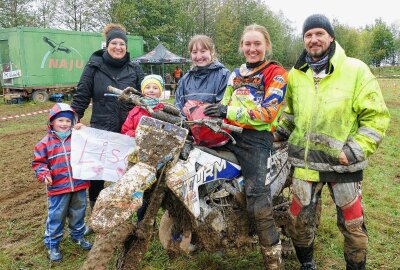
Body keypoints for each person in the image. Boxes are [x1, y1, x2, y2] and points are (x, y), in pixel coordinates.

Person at [275, 14, 390, 270]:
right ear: (304, 40)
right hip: (306, 166)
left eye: (319, 33)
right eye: (308, 35)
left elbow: (376, 118)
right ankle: (307, 264)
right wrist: (279, 133)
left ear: (331, 37)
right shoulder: (295, 74)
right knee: (298, 221)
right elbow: (291, 114)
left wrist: (354, 151)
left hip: (344, 166)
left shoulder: (356, 69)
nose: (313, 39)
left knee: (353, 226)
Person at [204, 24, 288, 269]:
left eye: (257, 44)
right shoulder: (235, 73)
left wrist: (227, 111)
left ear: (266, 46)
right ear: (242, 46)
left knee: (257, 198)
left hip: (256, 140)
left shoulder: (276, 72)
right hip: (228, 135)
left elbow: (268, 112)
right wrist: (210, 114)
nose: (252, 48)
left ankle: (273, 260)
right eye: (248, 44)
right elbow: (225, 101)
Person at [71, 23, 144, 221]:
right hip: (101, 129)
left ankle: (136, 218)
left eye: (122, 43)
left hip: (129, 130)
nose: (118, 47)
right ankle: (96, 216)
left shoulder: (135, 69)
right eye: (114, 43)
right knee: (96, 176)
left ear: (126, 46)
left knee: (132, 173)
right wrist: (71, 121)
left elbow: (145, 99)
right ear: (107, 44)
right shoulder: (94, 67)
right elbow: (82, 96)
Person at [32, 103, 92, 262]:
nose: (65, 124)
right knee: (56, 215)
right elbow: (39, 163)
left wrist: (84, 131)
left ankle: (78, 236)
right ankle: (53, 243)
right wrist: (44, 173)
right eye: (61, 120)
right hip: (58, 188)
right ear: (52, 121)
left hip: (79, 184)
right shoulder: (44, 143)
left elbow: (91, 147)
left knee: (78, 212)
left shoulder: (78, 138)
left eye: (68, 121)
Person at [174, 35, 230, 115]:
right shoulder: (185, 80)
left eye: (203, 51)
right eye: (194, 52)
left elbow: (224, 106)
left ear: (211, 52)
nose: (199, 56)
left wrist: (198, 111)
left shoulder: (224, 75)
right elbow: (177, 107)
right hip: (186, 126)